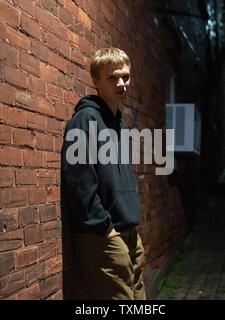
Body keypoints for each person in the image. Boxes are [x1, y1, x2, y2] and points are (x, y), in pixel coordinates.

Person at [60, 47, 146, 300]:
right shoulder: (85, 119)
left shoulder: (118, 121)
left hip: (129, 230)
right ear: (96, 82)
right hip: (104, 235)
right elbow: (79, 179)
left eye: (125, 77)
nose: (121, 83)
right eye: (112, 78)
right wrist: (105, 228)